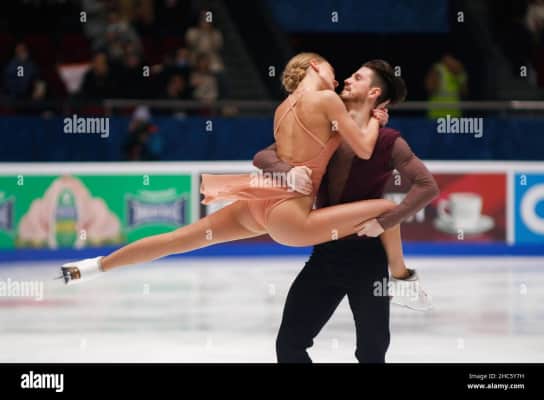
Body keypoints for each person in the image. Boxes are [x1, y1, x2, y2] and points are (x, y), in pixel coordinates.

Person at [59, 54, 410, 300]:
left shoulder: (283, 108)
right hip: (290, 214)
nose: (337, 80)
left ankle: (93, 267)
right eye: (333, 73)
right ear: (315, 66)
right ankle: (402, 278)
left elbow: (269, 154)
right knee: (385, 208)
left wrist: (288, 170)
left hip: (260, 202)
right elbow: (364, 149)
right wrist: (375, 120)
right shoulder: (327, 100)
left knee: (177, 240)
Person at [253, 60, 440, 362]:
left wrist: (385, 222)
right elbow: (263, 156)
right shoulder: (322, 131)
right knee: (288, 345)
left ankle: (403, 277)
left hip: (368, 261)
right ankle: (403, 276)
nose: (347, 80)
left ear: (374, 93)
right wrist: (287, 171)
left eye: (357, 77)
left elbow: (427, 186)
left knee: (371, 354)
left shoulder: (389, 141)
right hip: (324, 255)